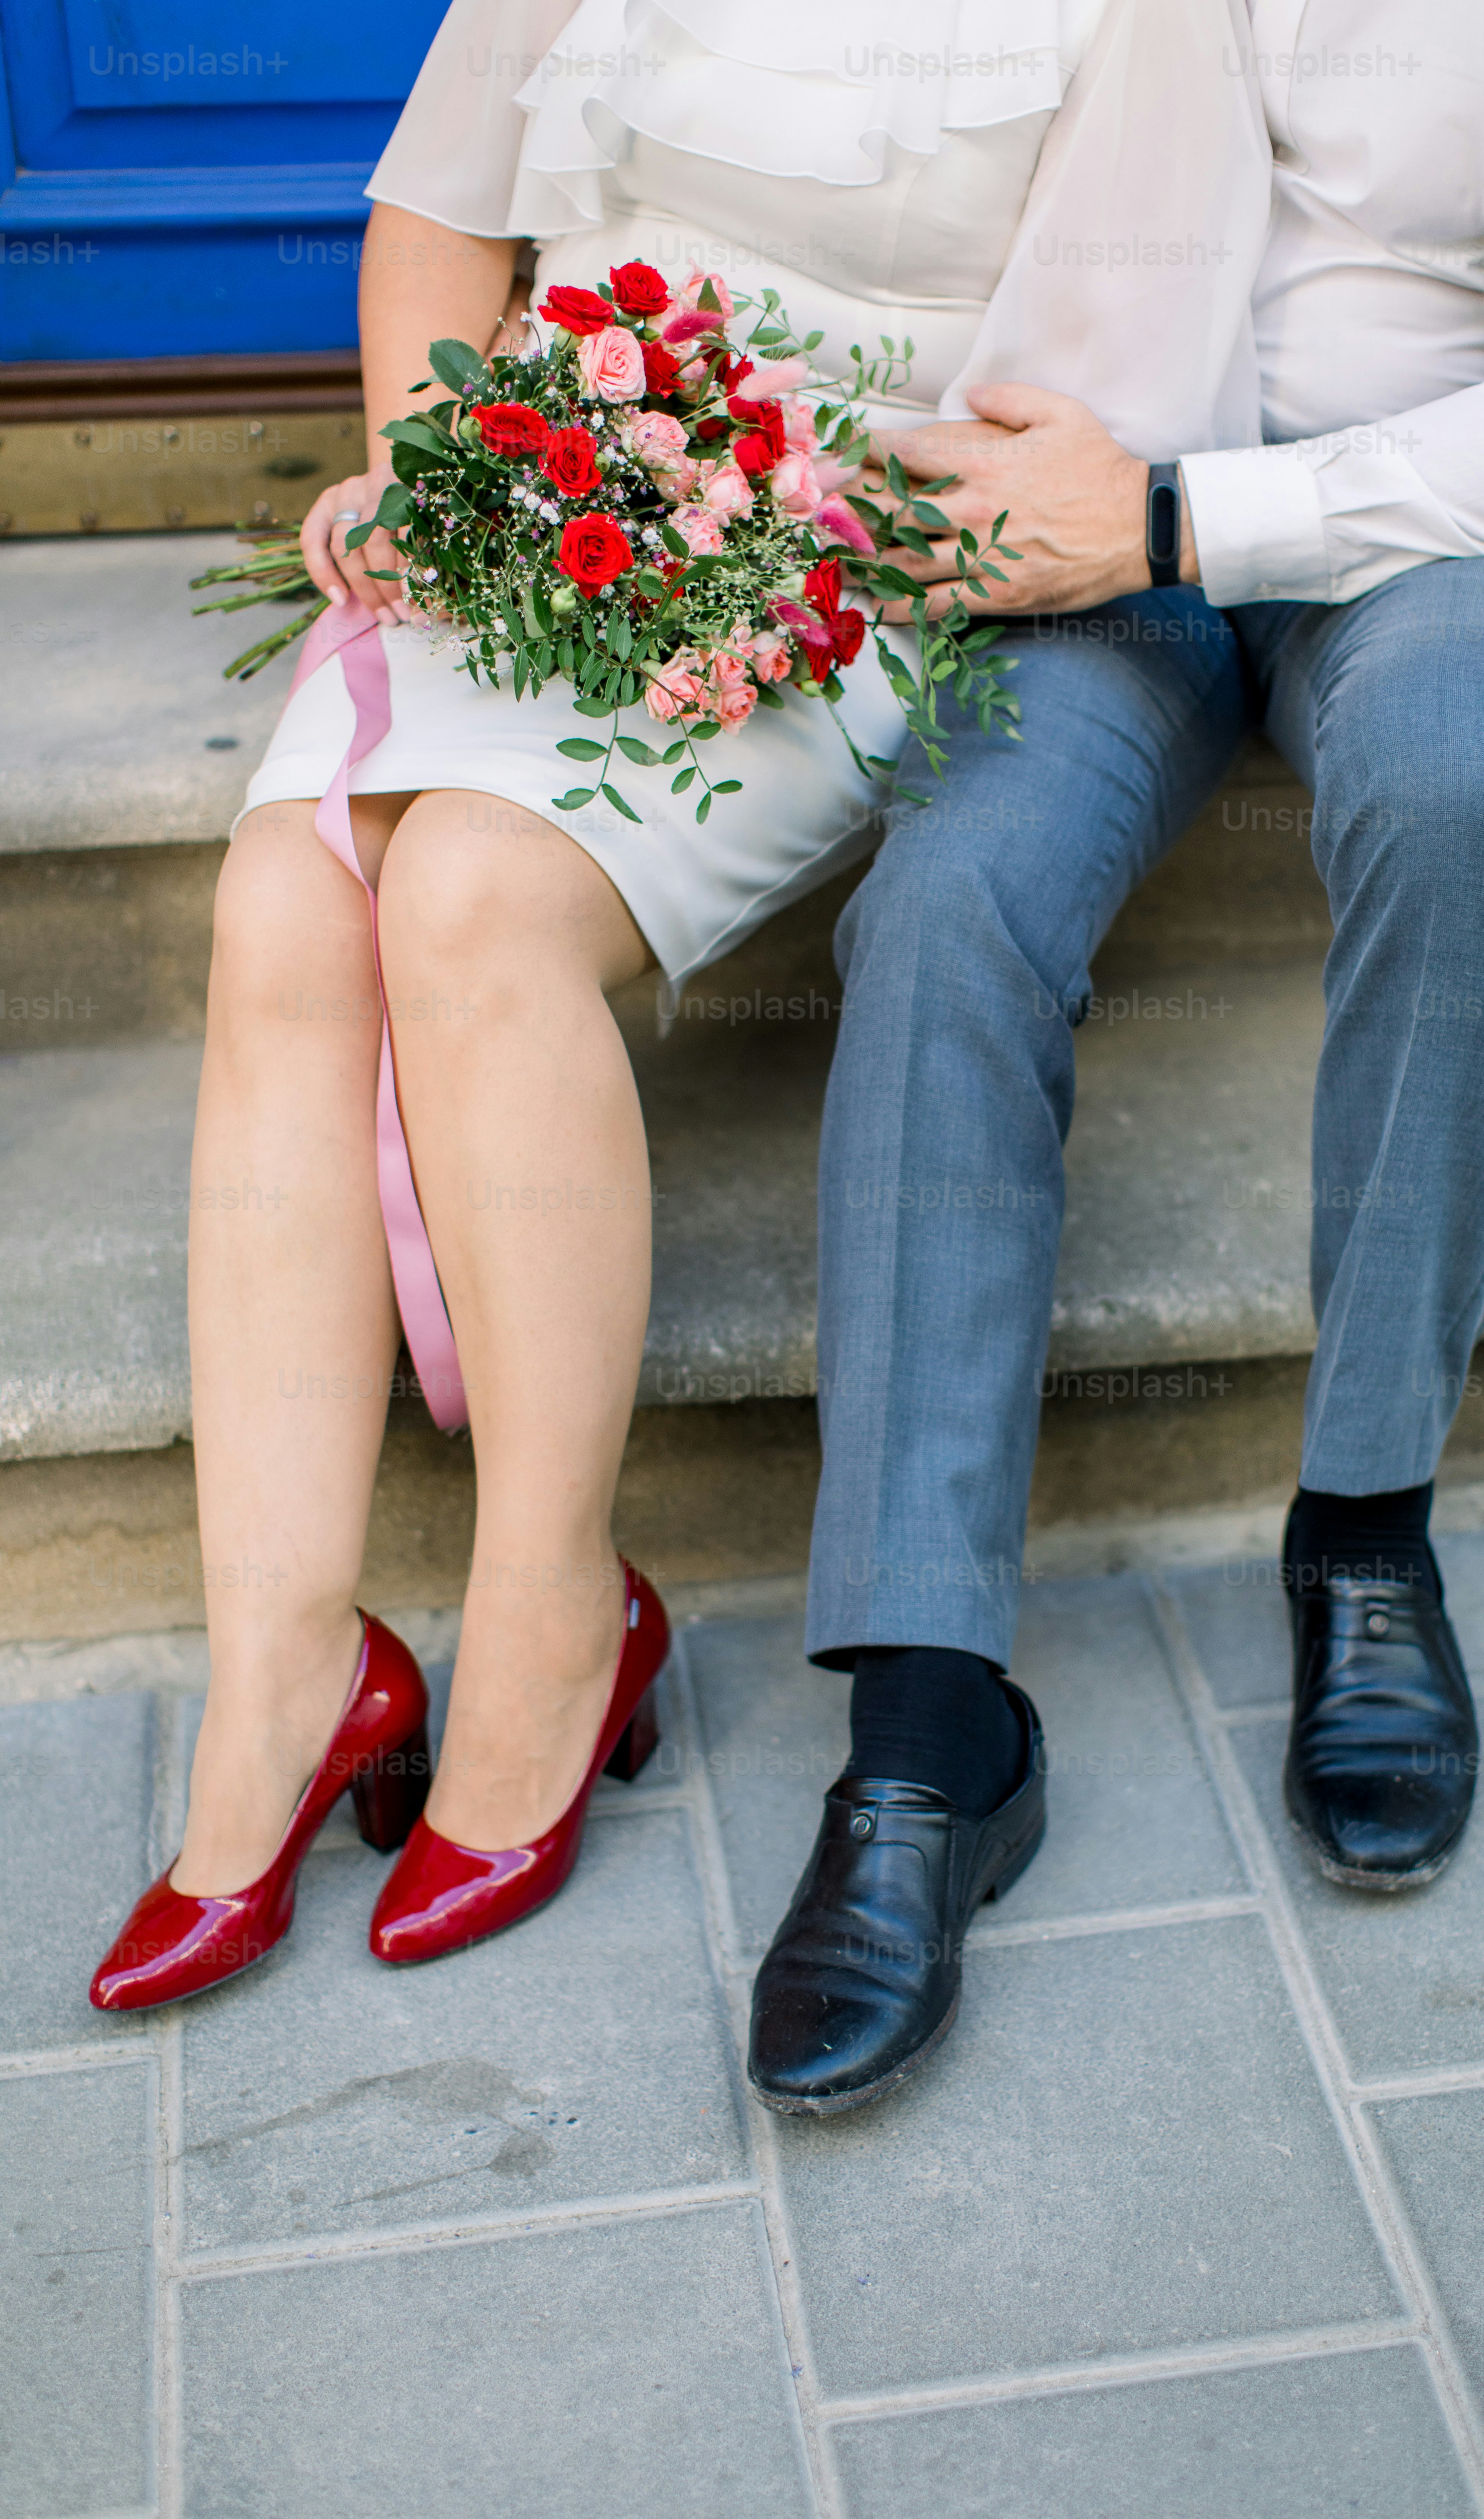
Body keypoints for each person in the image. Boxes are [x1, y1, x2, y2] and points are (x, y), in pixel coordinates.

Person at [87, 0, 1121, 2009]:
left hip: (853, 551)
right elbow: (436, 214)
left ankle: (559, 1606)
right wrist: (432, 470)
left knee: (470, 892)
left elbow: (1120, 374)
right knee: (289, 896)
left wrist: (795, 526)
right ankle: (288, 1668)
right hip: (548, 502)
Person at [744, 0, 1484, 2113]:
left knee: (1459, 795)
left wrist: (1176, 520)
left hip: (1422, 523)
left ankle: (1361, 1531)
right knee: (944, 899)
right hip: (1066, 533)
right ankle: (928, 1729)